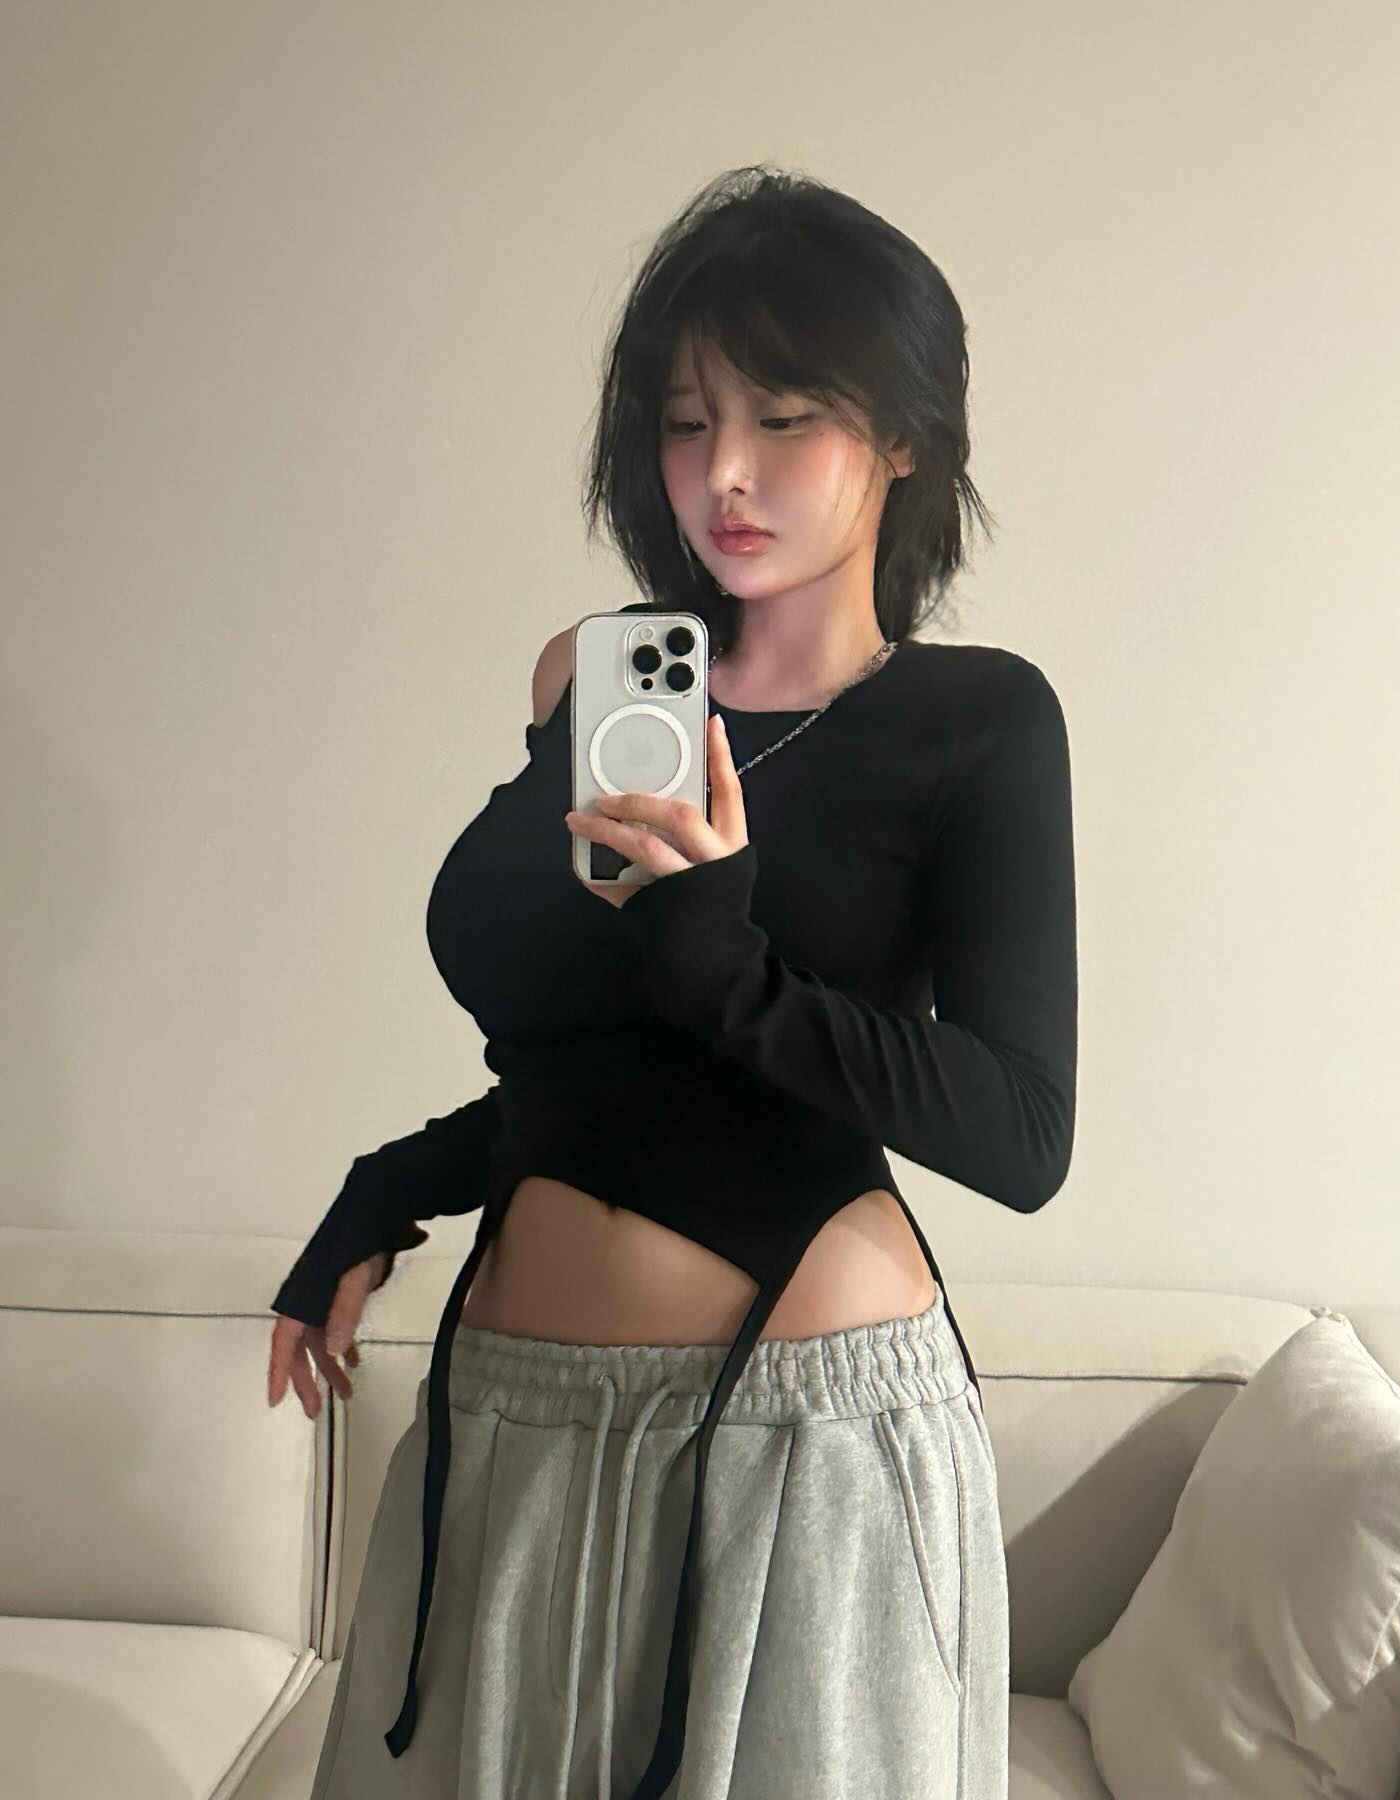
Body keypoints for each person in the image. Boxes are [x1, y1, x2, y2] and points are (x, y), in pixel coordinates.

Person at [269, 162, 1077, 1799]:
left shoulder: (977, 722)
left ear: (902, 436)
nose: (724, 473)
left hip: (805, 1442)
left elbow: (1018, 1131)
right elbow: (597, 1061)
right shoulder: (596, 686)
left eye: (784, 418)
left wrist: (731, 967)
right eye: (687, 421)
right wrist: (395, 1183)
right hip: (510, 1424)